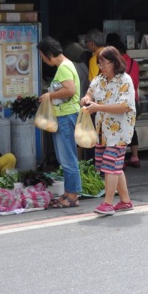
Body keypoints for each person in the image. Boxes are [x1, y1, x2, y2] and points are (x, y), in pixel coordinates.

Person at [81, 46, 136, 215]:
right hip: (103, 131)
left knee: (110, 167)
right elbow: (90, 93)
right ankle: (125, 201)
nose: (101, 66)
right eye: (99, 63)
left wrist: (98, 107)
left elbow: (124, 106)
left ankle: (108, 203)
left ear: (114, 62)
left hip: (119, 133)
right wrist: (86, 99)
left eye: (104, 63)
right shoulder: (99, 79)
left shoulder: (125, 80)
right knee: (114, 166)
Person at [38, 37, 83, 208]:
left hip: (66, 116)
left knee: (67, 158)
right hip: (65, 116)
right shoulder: (66, 65)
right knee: (65, 157)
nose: (43, 60)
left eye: (43, 56)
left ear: (49, 54)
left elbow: (70, 90)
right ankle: (68, 192)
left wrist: (49, 95)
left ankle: (72, 196)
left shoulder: (64, 67)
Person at [107, 34, 141, 168]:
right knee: (131, 128)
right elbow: (136, 83)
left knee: (118, 129)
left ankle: (119, 159)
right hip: (134, 101)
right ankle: (135, 157)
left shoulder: (116, 65)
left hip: (119, 102)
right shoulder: (134, 62)